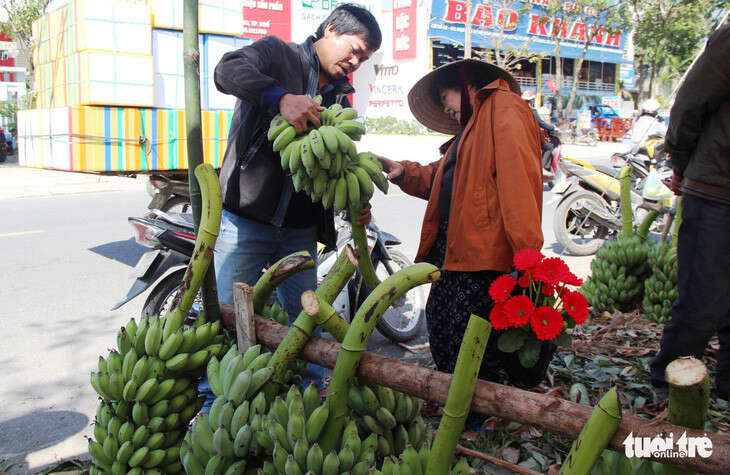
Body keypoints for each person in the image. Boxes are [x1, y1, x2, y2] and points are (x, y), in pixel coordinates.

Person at [213, 4, 381, 389]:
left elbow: (332, 168)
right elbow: (226, 71)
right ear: (330, 29)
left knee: (306, 320)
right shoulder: (278, 54)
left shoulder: (340, 102)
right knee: (228, 317)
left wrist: (353, 199)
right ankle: (215, 402)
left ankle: (310, 398)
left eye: (364, 58)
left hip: (300, 231)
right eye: (353, 49)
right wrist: (279, 97)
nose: (355, 61)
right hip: (246, 219)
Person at [377, 59, 544, 388]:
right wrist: (404, 172)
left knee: (476, 349)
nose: (445, 108)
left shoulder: (505, 109)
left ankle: (484, 416)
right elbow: (445, 178)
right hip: (456, 256)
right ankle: (465, 411)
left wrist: (527, 258)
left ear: (467, 83)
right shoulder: (471, 130)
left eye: (445, 97)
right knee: (444, 333)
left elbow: (519, 185)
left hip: (484, 263)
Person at [650, 22, 730, 401]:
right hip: (717, 186)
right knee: (702, 297)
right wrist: (679, 161)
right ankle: (668, 386)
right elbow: (691, 101)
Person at [522, 90, 559, 174]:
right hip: (529, 137)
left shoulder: (517, 108)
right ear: (531, 100)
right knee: (549, 147)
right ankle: (542, 168)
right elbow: (541, 123)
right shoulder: (531, 110)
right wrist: (552, 128)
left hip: (518, 135)